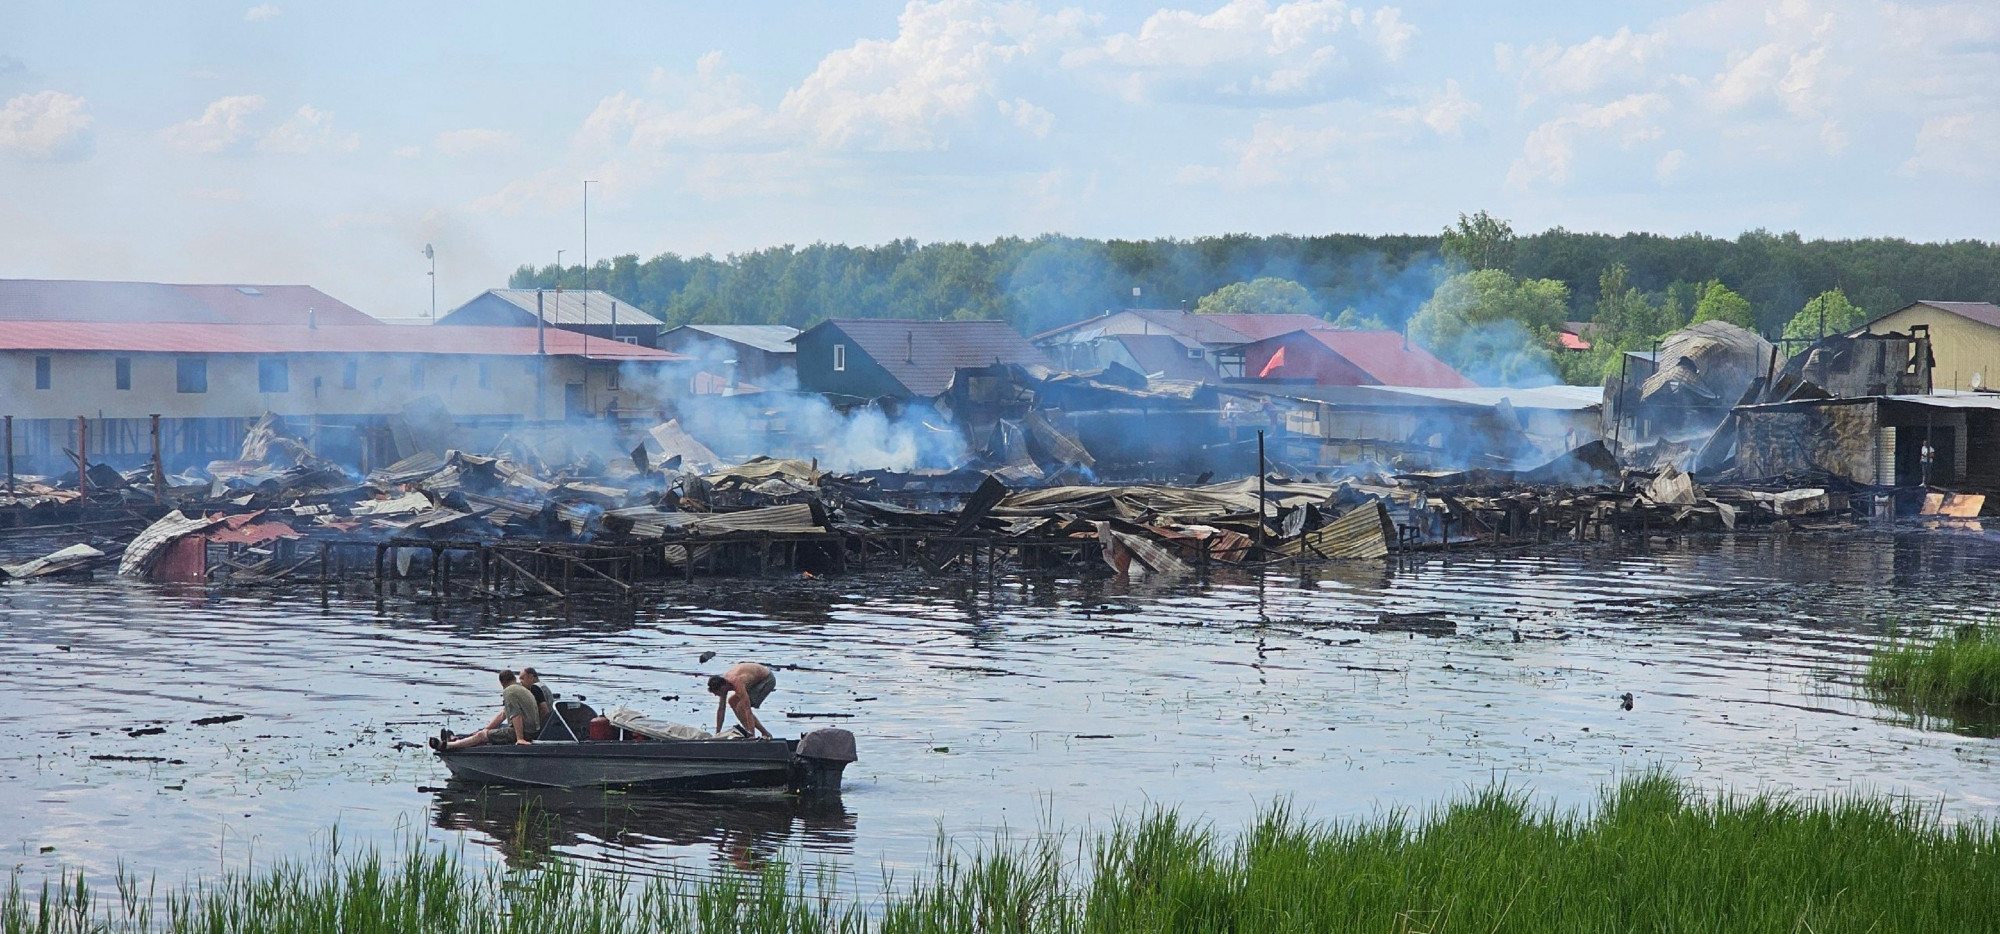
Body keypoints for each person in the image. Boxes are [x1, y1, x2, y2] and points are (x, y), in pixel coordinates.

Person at [433, 670, 540, 751]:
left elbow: (516, 715)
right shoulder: (520, 689)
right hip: (532, 730)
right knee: (485, 732)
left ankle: (448, 746)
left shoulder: (509, 691)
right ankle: (456, 738)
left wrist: (520, 739)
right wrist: (486, 729)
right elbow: (503, 714)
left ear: (502, 683)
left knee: (482, 737)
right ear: (514, 679)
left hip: (525, 733)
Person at [707, 661, 776, 739]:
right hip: (753, 681)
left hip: (766, 680)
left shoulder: (737, 682)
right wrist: (717, 733)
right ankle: (748, 732)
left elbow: (747, 710)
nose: (717, 695)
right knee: (732, 701)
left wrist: (752, 735)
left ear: (723, 687)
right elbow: (721, 709)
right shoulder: (724, 683)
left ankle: (757, 734)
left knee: (741, 707)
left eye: (718, 693)